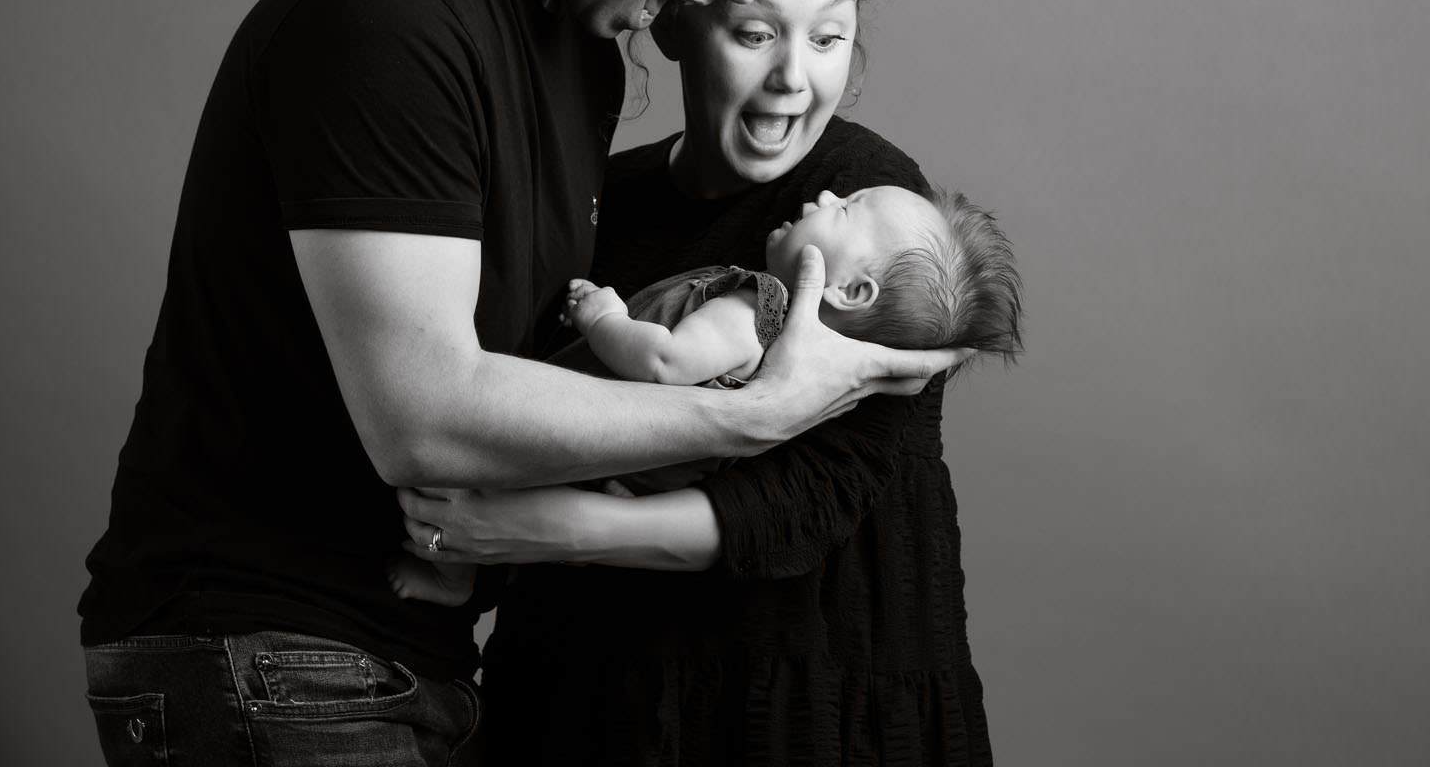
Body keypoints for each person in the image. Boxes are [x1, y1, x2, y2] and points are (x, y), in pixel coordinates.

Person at [77, 0, 961, 767]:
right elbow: (426, 414)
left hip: (404, 659)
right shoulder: (393, 19)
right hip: (276, 652)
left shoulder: (579, 49)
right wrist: (754, 411)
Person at [396, 0, 1020, 764]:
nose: (794, 78)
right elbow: (520, 404)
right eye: (757, 33)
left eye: (830, 37)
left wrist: (542, 529)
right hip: (586, 688)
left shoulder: (877, 207)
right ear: (677, 23)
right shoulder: (598, 202)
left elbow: (802, 504)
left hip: (804, 696)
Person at [390, 182, 1021, 606]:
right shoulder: (798, 357)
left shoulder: (755, 311)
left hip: (599, 428)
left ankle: (451, 577)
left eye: (848, 208)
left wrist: (601, 318)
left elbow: (664, 364)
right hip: (622, 469)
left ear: (849, 292)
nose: (826, 194)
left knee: (463, 475)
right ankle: (455, 574)